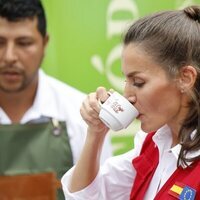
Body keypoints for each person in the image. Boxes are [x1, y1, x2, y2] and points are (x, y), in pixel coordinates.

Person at [61, 5, 200, 200]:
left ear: (185, 78)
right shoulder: (152, 143)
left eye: (139, 82)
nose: (128, 96)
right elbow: (84, 196)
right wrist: (96, 133)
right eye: (127, 81)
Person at [0, 0, 112, 199]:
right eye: (0, 43)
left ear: (45, 43)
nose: (9, 56)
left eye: (23, 43)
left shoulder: (83, 118)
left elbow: (100, 195)